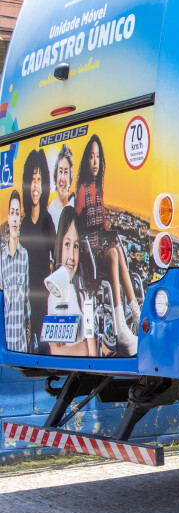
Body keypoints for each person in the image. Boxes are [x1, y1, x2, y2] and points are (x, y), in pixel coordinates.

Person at [74, 134, 139, 355]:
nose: (95, 162)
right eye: (91, 157)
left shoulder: (98, 189)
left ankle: (135, 311)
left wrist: (110, 234)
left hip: (101, 243)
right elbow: (78, 226)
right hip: (90, 251)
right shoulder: (82, 190)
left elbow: (102, 222)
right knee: (113, 254)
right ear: (86, 161)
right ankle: (120, 325)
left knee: (118, 250)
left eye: (98, 157)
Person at [45, 206, 95, 357]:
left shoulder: (82, 295)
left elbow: (93, 354)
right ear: (59, 244)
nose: (72, 256)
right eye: (67, 244)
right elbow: (56, 351)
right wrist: (84, 348)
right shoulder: (54, 297)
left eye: (76, 246)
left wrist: (85, 348)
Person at [21, 149, 55, 354]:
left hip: (44, 301)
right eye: (32, 179)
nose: (35, 185)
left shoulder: (47, 220)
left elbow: (57, 257)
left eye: (39, 179)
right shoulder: (22, 225)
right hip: (26, 301)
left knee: (44, 349)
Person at [0, 190, 30, 353]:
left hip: (21, 348)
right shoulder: (1, 259)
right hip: (5, 347)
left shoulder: (24, 256)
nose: (14, 217)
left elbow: (27, 303)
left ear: (19, 219)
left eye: (17, 213)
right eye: (12, 212)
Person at [48, 144, 74, 229]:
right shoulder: (51, 210)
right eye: (60, 171)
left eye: (66, 172)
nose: (62, 178)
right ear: (56, 176)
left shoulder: (75, 204)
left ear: (70, 177)